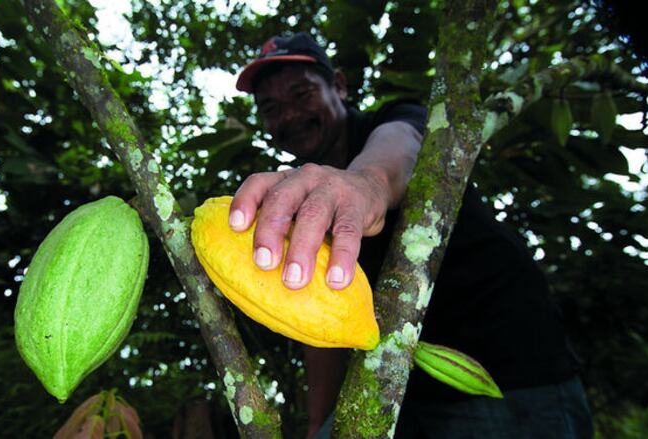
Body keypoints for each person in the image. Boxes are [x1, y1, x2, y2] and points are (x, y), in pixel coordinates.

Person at [230, 32, 593, 438]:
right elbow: (317, 320)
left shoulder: (390, 120)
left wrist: (367, 183)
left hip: (510, 374)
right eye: (271, 108)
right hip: (395, 392)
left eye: (302, 94)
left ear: (339, 86)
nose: (290, 115)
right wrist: (319, 424)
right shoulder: (298, 200)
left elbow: (402, 146)